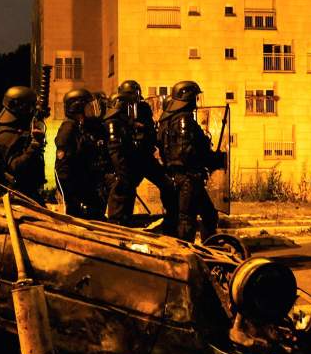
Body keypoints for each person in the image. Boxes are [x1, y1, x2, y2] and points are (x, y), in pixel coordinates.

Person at [157, 81, 226, 242]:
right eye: (195, 97)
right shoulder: (184, 119)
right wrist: (213, 159)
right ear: (187, 97)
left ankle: (209, 251)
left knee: (207, 214)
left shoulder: (166, 121)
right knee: (186, 221)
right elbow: (187, 152)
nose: (196, 101)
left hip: (175, 177)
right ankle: (187, 257)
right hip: (189, 179)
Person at [104, 80, 177, 225]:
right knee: (125, 188)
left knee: (166, 183)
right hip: (131, 158)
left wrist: (144, 130)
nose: (134, 98)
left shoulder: (143, 108)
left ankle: (172, 217)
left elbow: (150, 130)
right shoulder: (118, 110)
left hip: (145, 156)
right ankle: (121, 222)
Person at [0, 86, 46, 203]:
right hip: (14, 198)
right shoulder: (6, 135)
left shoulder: (18, 131)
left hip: (25, 195)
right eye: (31, 107)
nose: (33, 111)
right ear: (21, 108)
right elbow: (15, 167)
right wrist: (34, 145)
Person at [55, 89, 106, 219]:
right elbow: (62, 167)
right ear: (77, 108)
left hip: (86, 183)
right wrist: (71, 197)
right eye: (88, 106)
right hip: (76, 190)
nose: (91, 110)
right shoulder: (68, 128)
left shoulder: (82, 126)